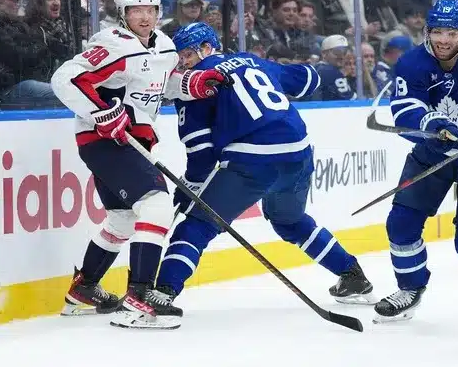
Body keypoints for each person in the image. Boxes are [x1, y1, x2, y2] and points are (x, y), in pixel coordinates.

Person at [150, 22, 375, 318]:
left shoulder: (195, 85)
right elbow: (308, 80)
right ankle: (352, 274)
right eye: (179, 59)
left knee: (197, 225)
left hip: (252, 161)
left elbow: (201, 152)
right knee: (289, 220)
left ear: (207, 48)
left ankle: (163, 293)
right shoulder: (250, 60)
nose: (184, 64)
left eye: (188, 55)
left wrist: (190, 187)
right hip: (298, 154)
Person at [50, 0, 226, 329]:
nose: (144, 17)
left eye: (150, 10)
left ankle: (83, 290)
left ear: (159, 13)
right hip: (104, 140)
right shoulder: (113, 44)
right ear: (123, 14)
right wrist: (101, 112)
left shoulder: (165, 46)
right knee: (156, 205)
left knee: (122, 220)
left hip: (134, 141)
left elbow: (161, 85)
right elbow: (65, 78)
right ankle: (139, 298)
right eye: (136, 10)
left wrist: (193, 84)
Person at [372, 0, 458, 324]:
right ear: (427, 31)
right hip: (431, 155)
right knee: (400, 223)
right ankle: (409, 289)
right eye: (437, 31)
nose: (443, 40)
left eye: (452, 33)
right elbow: (405, 110)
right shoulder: (412, 62)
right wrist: (433, 127)